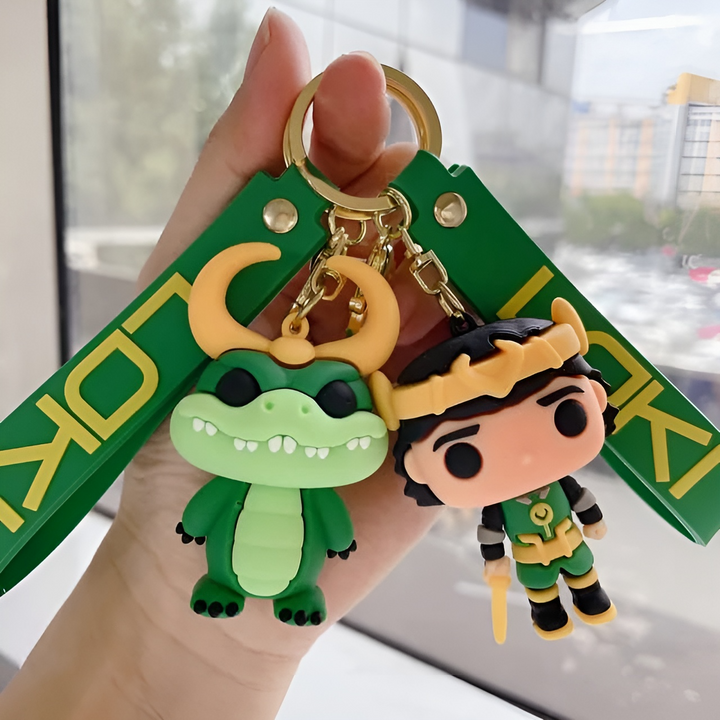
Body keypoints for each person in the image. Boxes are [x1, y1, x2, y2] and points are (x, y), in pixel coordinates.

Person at [0, 9, 448, 720]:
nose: (285, 412)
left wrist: (176, 626)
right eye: (240, 386)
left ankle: (287, 591)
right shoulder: (229, 466)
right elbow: (212, 507)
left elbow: (326, 519)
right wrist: (163, 581)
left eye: (336, 401)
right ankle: (230, 586)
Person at [390, 307, 618, 639]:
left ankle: (591, 598)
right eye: (463, 458)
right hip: (530, 558)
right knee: (540, 587)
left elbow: (581, 498)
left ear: (596, 398)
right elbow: (491, 533)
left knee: (583, 571)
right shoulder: (499, 507)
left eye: (566, 416)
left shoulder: (559, 485)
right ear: (417, 468)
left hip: (572, 545)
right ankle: (548, 614)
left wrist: (592, 519)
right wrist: (494, 559)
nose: (524, 456)